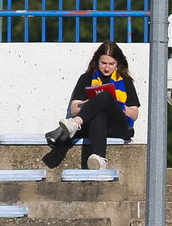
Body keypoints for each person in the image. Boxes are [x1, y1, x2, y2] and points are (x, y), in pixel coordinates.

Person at [46, 41, 140, 170]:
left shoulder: (125, 80)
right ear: (97, 61)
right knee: (99, 112)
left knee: (106, 96)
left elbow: (134, 114)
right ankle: (99, 159)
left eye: (111, 64)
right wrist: (92, 103)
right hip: (91, 125)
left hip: (117, 126)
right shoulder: (86, 78)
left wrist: (115, 104)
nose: (107, 68)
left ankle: (75, 123)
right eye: (103, 63)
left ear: (118, 63)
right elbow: (74, 108)